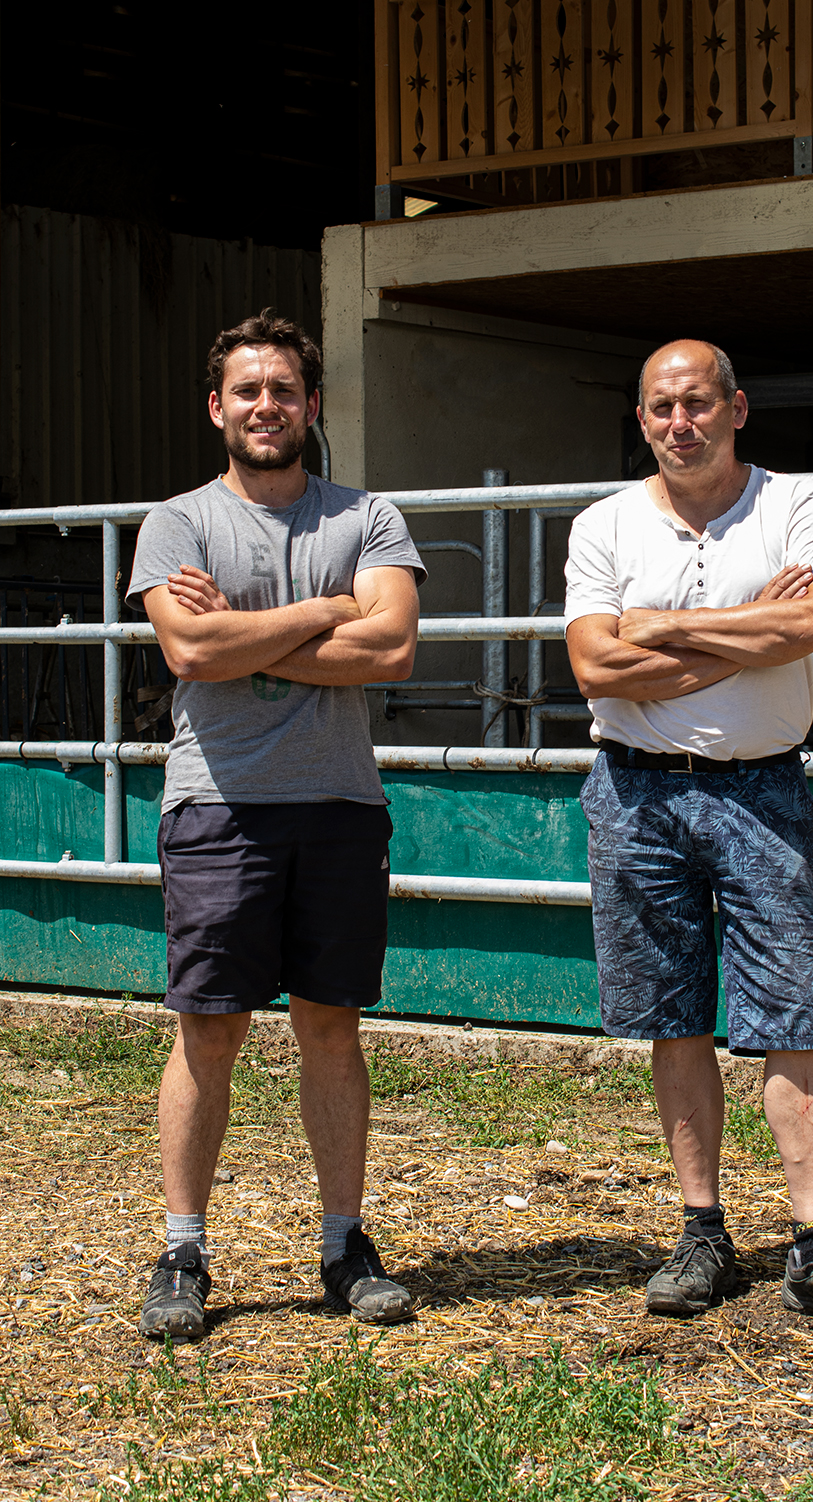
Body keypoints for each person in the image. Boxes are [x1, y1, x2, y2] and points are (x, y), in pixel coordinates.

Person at [564, 338, 813, 1337]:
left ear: (736, 408)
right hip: (637, 794)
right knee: (675, 1013)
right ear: (642, 421)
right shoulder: (604, 523)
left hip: (763, 790)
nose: (682, 422)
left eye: (698, 403)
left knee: (793, 1011)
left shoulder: (794, 501)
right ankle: (701, 1230)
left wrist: (664, 630)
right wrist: (751, 623)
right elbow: (594, 666)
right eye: (662, 407)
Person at [126, 309, 425, 1339]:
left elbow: (389, 650)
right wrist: (321, 610)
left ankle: (344, 1242)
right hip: (219, 801)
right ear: (218, 408)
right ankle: (182, 1247)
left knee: (329, 1026)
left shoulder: (369, 517)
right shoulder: (176, 522)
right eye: (246, 391)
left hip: (339, 803)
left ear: (310, 403)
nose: (266, 406)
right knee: (209, 1026)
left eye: (283, 389)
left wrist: (240, 633)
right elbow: (189, 656)